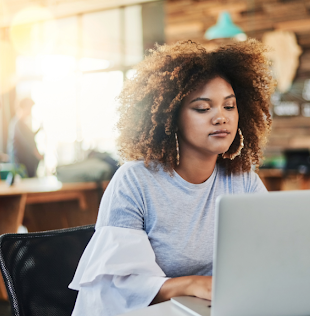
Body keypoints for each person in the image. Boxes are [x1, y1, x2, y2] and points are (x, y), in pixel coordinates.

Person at [69, 39, 273, 316]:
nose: (221, 118)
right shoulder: (134, 181)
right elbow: (118, 287)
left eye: (229, 106)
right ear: (172, 117)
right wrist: (192, 285)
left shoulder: (243, 180)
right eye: (203, 108)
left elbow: (270, 255)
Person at [8, 97, 43, 177]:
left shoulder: (21, 123)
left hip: (24, 162)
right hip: (21, 163)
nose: (30, 112)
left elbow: (29, 136)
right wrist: (38, 154)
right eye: (29, 108)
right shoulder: (18, 124)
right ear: (23, 108)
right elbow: (28, 142)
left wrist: (39, 130)